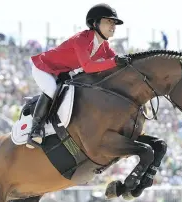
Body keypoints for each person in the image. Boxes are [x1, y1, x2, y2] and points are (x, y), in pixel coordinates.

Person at [27, 3, 131, 149]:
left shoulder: (104, 46)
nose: (113, 26)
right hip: (44, 67)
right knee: (51, 89)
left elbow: (118, 62)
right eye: (108, 21)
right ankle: (35, 130)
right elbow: (89, 67)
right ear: (95, 23)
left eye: (114, 23)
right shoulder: (81, 39)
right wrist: (114, 61)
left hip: (62, 73)